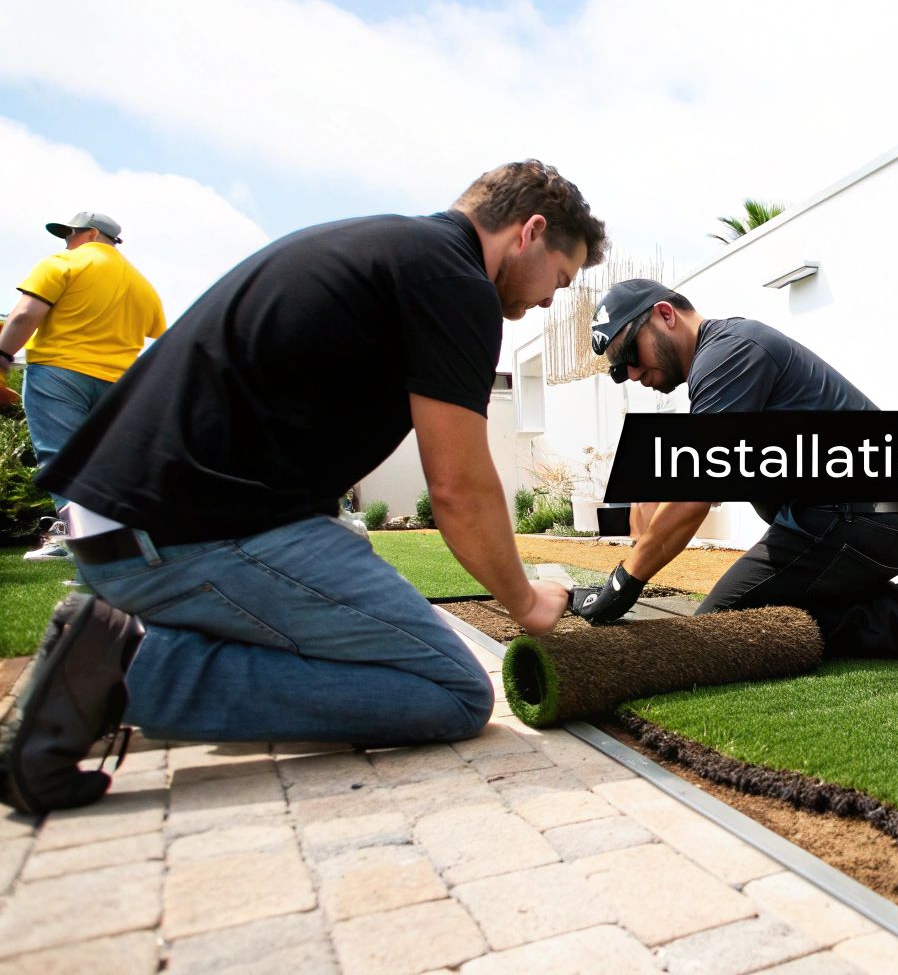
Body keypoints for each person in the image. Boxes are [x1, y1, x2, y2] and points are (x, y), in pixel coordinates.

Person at [0, 161, 606, 814]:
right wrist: (525, 601)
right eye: (560, 277)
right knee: (453, 690)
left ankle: (116, 647)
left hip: (115, 528)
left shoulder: (380, 247)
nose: (552, 300)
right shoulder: (455, 282)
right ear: (529, 232)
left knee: (350, 574)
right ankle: (130, 671)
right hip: (186, 533)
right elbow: (458, 487)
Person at [572, 278, 898, 657]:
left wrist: (623, 582)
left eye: (629, 352)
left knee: (717, 632)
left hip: (862, 516)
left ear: (666, 315)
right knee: (773, 609)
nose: (630, 373)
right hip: (879, 514)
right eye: (617, 370)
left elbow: (693, 495)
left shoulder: (726, 355)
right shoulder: (730, 350)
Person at [0, 212, 165, 561]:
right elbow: (156, 334)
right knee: (104, 468)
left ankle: (95, 552)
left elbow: (25, 314)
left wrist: (3, 354)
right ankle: (91, 541)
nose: (66, 242)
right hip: (119, 386)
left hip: (59, 374)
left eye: (70, 234)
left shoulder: (63, 263)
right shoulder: (143, 285)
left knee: (61, 461)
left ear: (90, 234)